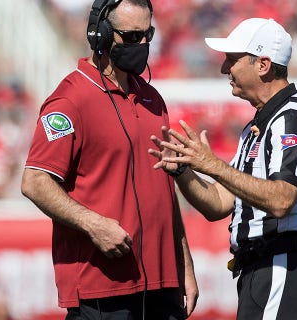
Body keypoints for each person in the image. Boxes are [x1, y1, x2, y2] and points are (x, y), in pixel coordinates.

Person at [20, 0, 198, 319]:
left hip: (162, 285)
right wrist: (93, 224)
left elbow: (164, 190)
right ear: (100, 34)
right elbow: (35, 181)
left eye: (148, 35)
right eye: (131, 36)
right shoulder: (69, 99)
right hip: (103, 287)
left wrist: (183, 262)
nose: (142, 45)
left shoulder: (152, 99)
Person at [150, 18, 297, 319]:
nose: (225, 69)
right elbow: (219, 203)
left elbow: (281, 199)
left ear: (262, 65)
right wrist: (183, 171)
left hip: (287, 266)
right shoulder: (257, 127)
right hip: (263, 270)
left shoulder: (292, 119)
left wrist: (213, 165)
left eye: (232, 60)